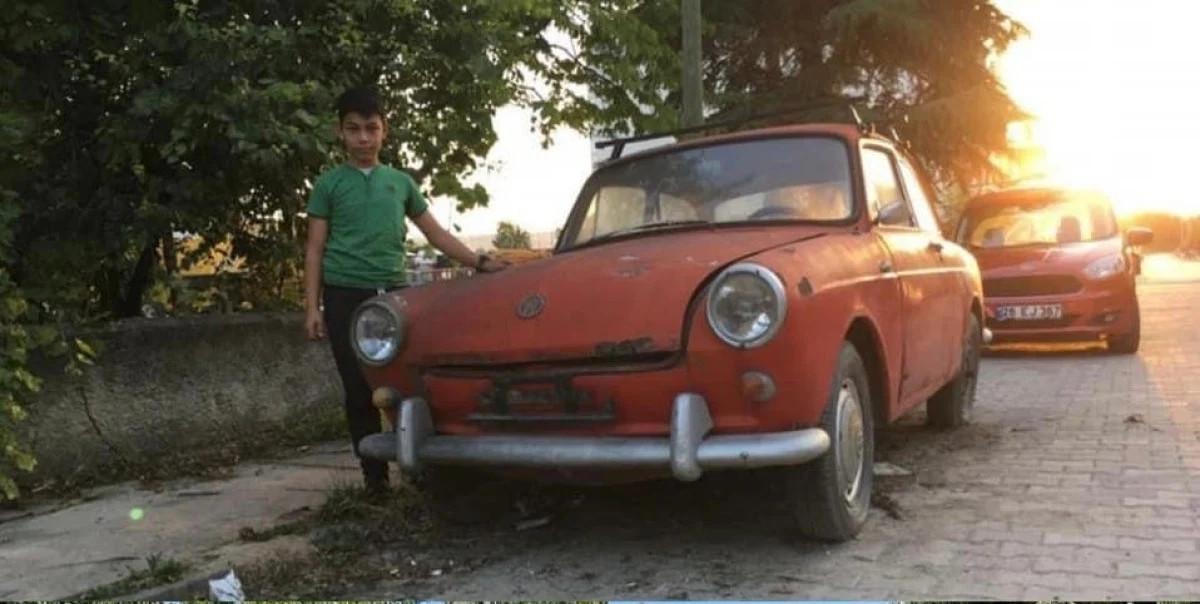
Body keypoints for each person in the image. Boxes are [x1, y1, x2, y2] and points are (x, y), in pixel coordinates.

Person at [303, 86, 508, 494]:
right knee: (358, 388)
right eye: (353, 129)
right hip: (345, 295)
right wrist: (312, 307)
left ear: (385, 130)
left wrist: (479, 262)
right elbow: (315, 248)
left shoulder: (400, 183)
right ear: (340, 132)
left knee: (407, 385)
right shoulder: (329, 185)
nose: (363, 138)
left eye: (371, 129)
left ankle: (421, 471)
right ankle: (374, 482)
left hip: (394, 296)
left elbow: (435, 233)